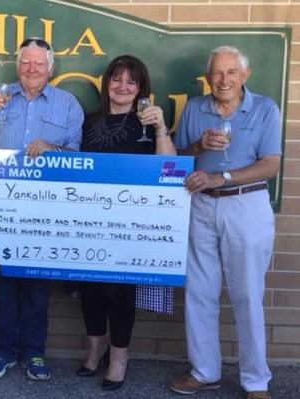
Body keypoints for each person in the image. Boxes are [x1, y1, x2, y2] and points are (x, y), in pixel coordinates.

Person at [169, 46, 282, 399]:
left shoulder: (264, 108)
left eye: (231, 72)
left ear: (244, 75)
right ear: (208, 77)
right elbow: (177, 157)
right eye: (217, 73)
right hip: (200, 205)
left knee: (247, 294)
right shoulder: (194, 109)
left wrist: (224, 176)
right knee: (200, 293)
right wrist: (197, 144)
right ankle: (205, 372)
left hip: (245, 204)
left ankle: (255, 381)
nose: (224, 80)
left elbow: (270, 165)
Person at [0, 37, 84, 380]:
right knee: (2, 285)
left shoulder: (68, 104)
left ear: (51, 68)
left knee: (37, 285)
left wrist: (52, 147)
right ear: (17, 66)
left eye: (38, 63)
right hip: (1, 206)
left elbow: (78, 157)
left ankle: (34, 352)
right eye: (25, 62)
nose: (31, 69)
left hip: (46, 209)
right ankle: (2, 351)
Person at [77, 55, 176, 391]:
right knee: (89, 287)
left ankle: (119, 357)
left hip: (130, 224)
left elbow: (169, 169)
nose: (122, 86)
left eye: (131, 81)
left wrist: (161, 127)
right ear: (107, 84)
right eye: (116, 79)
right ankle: (95, 349)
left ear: (141, 88)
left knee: (120, 291)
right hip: (88, 222)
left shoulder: (149, 122)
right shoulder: (87, 122)